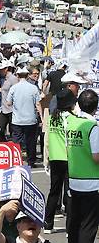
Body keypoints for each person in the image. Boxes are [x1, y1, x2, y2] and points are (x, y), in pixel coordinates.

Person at [65, 88, 99, 243]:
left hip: (74, 178)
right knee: (89, 223)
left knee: (75, 221)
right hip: (91, 181)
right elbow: (96, 157)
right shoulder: (92, 126)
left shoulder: (71, 122)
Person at [44, 89, 75, 233]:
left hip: (55, 158)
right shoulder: (70, 118)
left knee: (54, 191)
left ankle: (48, 224)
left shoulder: (52, 117)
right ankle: (70, 228)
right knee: (69, 192)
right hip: (68, 158)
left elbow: (47, 140)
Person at [7, 66, 41, 167]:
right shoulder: (33, 88)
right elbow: (38, 104)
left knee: (16, 141)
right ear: (27, 76)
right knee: (31, 142)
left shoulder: (14, 88)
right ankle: (31, 161)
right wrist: (42, 118)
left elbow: (8, 103)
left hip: (17, 119)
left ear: (17, 75)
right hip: (31, 119)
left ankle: (16, 160)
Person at [0, 61, 19, 142]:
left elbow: (17, 92)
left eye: (1, 69)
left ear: (6, 69)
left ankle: (14, 148)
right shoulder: (3, 79)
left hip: (12, 109)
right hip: (4, 109)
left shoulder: (13, 79)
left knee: (14, 131)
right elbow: (5, 90)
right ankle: (4, 145)